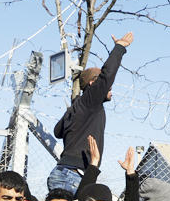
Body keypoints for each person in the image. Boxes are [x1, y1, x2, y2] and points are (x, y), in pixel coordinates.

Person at [49, 33, 134, 192]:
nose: (110, 87)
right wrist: (119, 48)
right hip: (72, 176)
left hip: (62, 173)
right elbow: (107, 76)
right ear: (93, 84)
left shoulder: (78, 107)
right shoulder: (90, 102)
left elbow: (57, 131)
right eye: (103, 84)